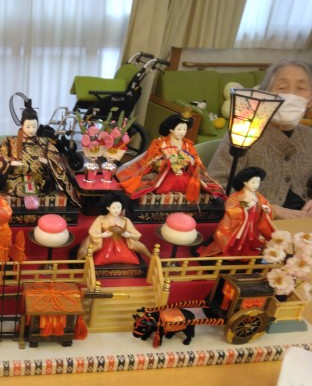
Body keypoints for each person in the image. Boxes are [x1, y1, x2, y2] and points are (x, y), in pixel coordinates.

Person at [207, 59, 312, 219]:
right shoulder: (243, 132)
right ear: (266, 95)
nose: (291, 95)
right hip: (252, 224)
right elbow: (214, 188)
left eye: (301, 88)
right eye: (282, 88)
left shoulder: (308, 136)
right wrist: (268, 210)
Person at [116, 112, 225, 203]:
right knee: (147, 183)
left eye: (184, 129)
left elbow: (196, 160)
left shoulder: (188, 144)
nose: (182, 132)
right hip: (165, 172)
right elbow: (151, 160)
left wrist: (190, 162)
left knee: (204, 182)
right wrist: (167, 162)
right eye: (179, 129)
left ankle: (216, 197)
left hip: (186, 172)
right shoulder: (160, 143)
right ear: (171, 129)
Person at [0, 104, 80, 207]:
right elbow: (0, 156)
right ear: (22, 125)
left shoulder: (45, 141)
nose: (31, 130)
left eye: (34, 126)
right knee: (15, 186)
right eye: (28, 127)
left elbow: (55, 157)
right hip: (15, 179)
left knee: (42, 185)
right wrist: (10, 162)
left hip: (39, 180)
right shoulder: (10, 141)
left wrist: (48, 161)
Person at [199, 167, 276, 257]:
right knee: (235, 240)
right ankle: (231, 253)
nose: (256, 185)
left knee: (248, 240)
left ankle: (244, 253)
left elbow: (264, 205)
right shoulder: (236, 196)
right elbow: (232, 207)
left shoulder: (258, 196)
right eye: (253, 182)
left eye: (258, 182)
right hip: (238, 224)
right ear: (245, 182)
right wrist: (248, 205)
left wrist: (267, 209)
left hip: (252, 223)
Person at [77, 193, 150, 265]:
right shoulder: (101, 219)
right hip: (105, 242)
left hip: (121, 242)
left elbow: (136, 233)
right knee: (100, 258)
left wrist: (128, 235)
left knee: (128, 258)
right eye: (113, 208)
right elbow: (93, 231)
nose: (116, 210)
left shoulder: (125, 220)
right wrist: (102, 235)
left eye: (119, 208)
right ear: (108, 208)